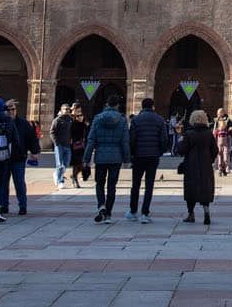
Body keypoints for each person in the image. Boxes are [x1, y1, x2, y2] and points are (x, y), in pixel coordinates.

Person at [82, 94, 130, 224]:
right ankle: (108, 214)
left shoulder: (98, 119)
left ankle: (101, 206)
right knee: (112, 186)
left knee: (99, 183)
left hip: (100, 156)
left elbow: (91, 140)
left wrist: (86, 158)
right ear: (117, 105)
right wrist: (127, 159)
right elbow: (125, 141)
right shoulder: (122, 119)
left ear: (106, 105)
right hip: (116, 157)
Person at [126, 96, 170, 222]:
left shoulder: (136, 120)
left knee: (135, 184)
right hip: (153, 156)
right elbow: (164, 140)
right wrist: (159, 152)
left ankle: (133, 211)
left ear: (142, 106)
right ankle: (145, 213)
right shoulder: (159, 120)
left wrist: (133, 154)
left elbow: (132, 139)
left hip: (139, 156)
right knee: (149, 185)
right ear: (152, 106)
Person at [178, 108, 218, 225]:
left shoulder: (188, 133)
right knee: (205, 188)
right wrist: (209, 159)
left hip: (191, 165)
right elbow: (215, 150)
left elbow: (181, 150)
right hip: (205, 165)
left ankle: (191, 214)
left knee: (191, 189)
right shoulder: (209, 134)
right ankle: (206, 210)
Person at [8, 100, 39, 216]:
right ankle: (4, 205)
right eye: (8, 109)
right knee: (3, 183)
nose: (11, 112)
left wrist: (35, 151)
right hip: (4, 159)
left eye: (13, 109)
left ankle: (22, 206)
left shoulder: (23, 123)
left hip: (19, 158)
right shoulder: (2, 122)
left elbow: (32, 138)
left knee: (19, 182)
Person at [50, 103, 74, 189]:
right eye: (65, 109)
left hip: (67, 145)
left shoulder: (71, 120)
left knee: (66, 163)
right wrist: (56, 143)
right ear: (61, 110)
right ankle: (60, 181)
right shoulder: (57, 120)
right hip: (59, 145)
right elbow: (52, 132)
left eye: (68, 109)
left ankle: (56, 173)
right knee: (60, 164)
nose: (67, 110)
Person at [70, 106, 90, 186]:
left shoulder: (85, 124)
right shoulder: (73, 124)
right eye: (78, 116)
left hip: (83, 146)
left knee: (83, 163)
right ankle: (75, 179)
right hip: (75, 147)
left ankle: (74, 176)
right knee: (77, 164)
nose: (80, 117)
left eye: (81, 115)